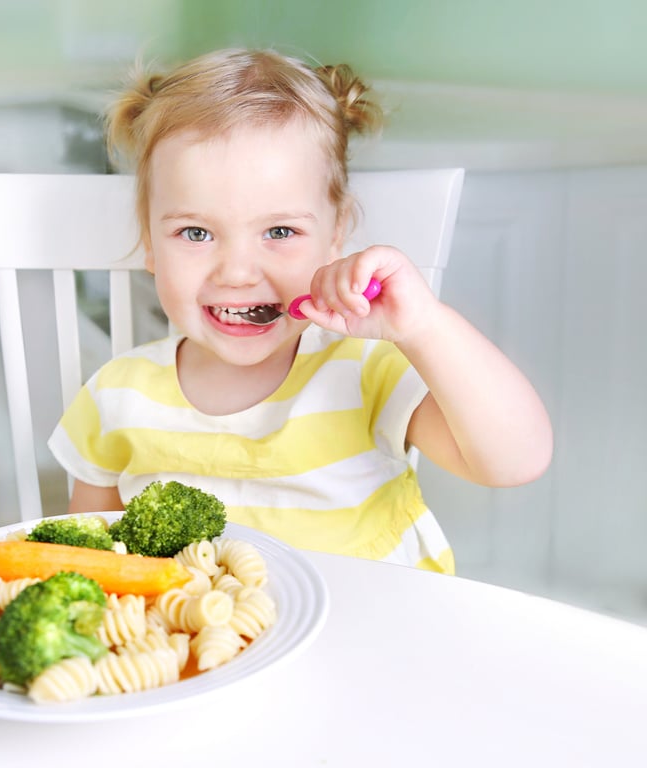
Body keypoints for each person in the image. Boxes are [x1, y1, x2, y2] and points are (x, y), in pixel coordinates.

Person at [48, 48, 553, 572]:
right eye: (195, 232)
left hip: (374, 638)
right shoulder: (116, 396)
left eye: (280, 231)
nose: (237, 272)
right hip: (218, 650)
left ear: (335, 236)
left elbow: (516, 461)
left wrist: (424, 327)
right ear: (150, 240)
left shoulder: (364, 370)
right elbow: (89, 562)